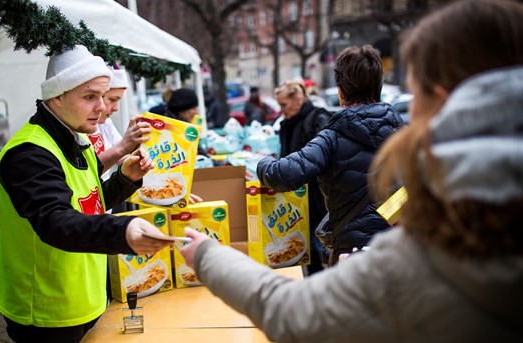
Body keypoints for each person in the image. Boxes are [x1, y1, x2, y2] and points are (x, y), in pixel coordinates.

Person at [179, 0, 523, 341]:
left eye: (417, 92)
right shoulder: (402, 134)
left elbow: (290, 313)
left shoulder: (428, 257)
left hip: (353, 251)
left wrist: (209, 254)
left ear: (443, 99)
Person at [0, 45, 171, 343]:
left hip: (80, 300)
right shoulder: (30, 153)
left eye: (103, 96)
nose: (102, 107)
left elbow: (88, 200)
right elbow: (56, 222)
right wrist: (122, 231)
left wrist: (125, 180)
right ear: (57, 97)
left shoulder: (75, 138)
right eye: (90, 97)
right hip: (46, 311)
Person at [260, 47, 404, 266]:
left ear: (340, 92)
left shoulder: (331, 138)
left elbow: (281, 175)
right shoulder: (405, 133)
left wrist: (264, 163)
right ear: (379, 87)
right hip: (399, 249)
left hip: (352, 256)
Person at [266, 79, 333, 273]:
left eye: (284, 105)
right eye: (278, 105)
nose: (281, 110)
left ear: (298, 99)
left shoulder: (318, 118)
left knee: (322, 252)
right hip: (298, 201)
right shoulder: (287, 124)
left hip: (318, 200)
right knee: (306, 254)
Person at [88, 68, 151, 181]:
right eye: (112, 99)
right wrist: (123, 147)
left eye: (118, 101)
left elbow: (123, 159)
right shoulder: (79, 125)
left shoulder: (106, 123)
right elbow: (85, 171)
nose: (116, 108)